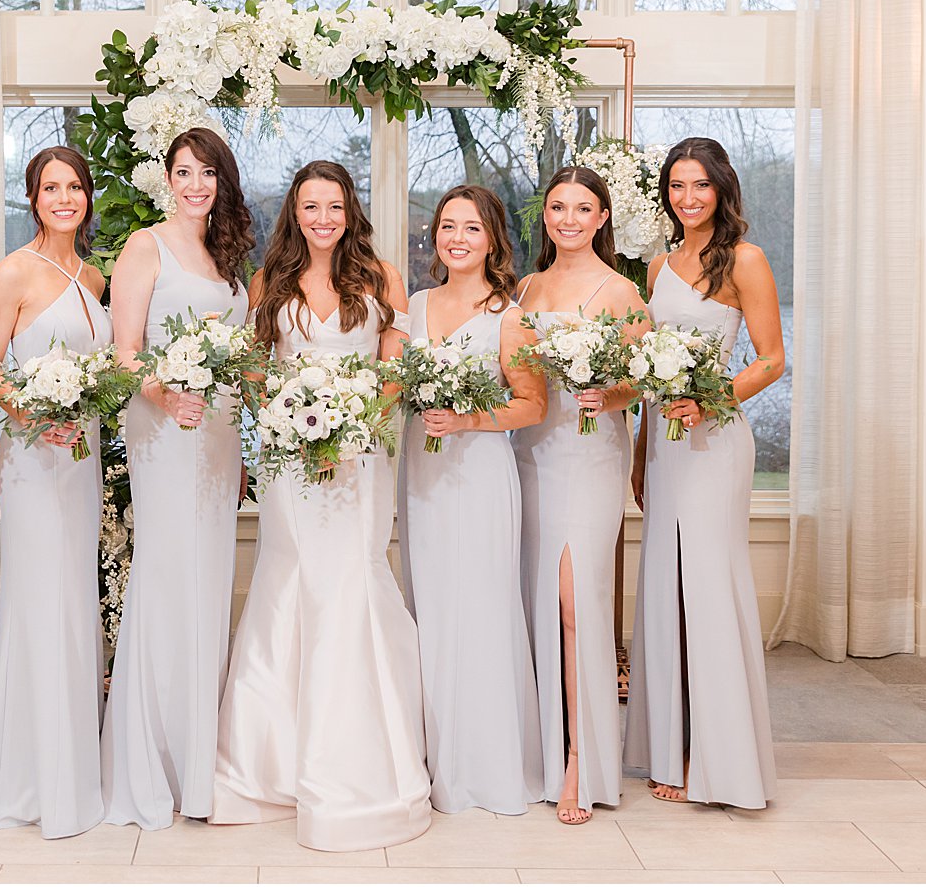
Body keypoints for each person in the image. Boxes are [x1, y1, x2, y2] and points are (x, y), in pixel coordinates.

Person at [212, 159, 430, 850]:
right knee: (292, 584)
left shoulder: (381, 276)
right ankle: (267, 766)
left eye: (334, 205)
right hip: (293, 466)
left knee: (353, 585)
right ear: (294, 214)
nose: (323, 217)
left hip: (361, 459)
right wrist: (289, 424)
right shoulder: (268, 281)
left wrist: (351, 425)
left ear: (350, 209)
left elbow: (395, 369)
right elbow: (252, 372)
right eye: (311, 206)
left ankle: (365, 762)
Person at [101, 127, 255, 830]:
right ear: (167, 178)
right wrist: (166, 394)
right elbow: (124, 353)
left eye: (208, 173)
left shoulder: (227, 260)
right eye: (184, 171)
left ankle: (200, 759)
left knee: (207, 583)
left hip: (219, 436)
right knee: (167, 577)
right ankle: (150, 763)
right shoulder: (145, 246)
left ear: (222, 182)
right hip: (165, 431)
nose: (196, 184)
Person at [624, 136, 783, 810]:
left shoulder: (745, 259)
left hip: (716, 442)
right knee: (665, 587)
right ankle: (671, 743)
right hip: (663, 442)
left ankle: (716, 753)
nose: (687, 198)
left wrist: (711, 398)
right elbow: (646, 371)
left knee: (708, 586)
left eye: (700, 186)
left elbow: (772, 360)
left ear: (722, 188)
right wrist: (639, 450)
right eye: (677, 186)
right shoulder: (658, 264)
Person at [0, 147, 110, 837]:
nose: (64, 197)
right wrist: (28, 413)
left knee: (74, 596)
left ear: (87, 197)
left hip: (81, 458)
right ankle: (28, 773)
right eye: (51, 186)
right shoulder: (13, 271)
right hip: (30, 457)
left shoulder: (96, 274)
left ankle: (74, 763)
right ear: (32, 196)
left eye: (74, 186)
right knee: (39, 596)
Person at [398, 185, 546, 816]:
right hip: (424, 478)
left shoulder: (510, 316)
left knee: (481, 607)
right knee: (431, 608)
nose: (457, 238)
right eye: (448, 226)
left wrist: (467, 421)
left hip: (481, 475)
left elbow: (532, 404)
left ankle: (486, 764)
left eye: (472, 228)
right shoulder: (416, 304)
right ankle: (435, 760)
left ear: (493, 240)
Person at [514, 167, 649, 824]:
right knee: (538, 597)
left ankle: (582, 761)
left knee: (575, 603)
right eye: (558, 207)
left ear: (602, 218)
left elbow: (645, 380)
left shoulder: (621, 290)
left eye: (583, 208)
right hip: (532, 450)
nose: (568, 218)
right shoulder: (526, 287)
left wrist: (610, 393)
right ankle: (544, 746)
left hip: (591, 453)